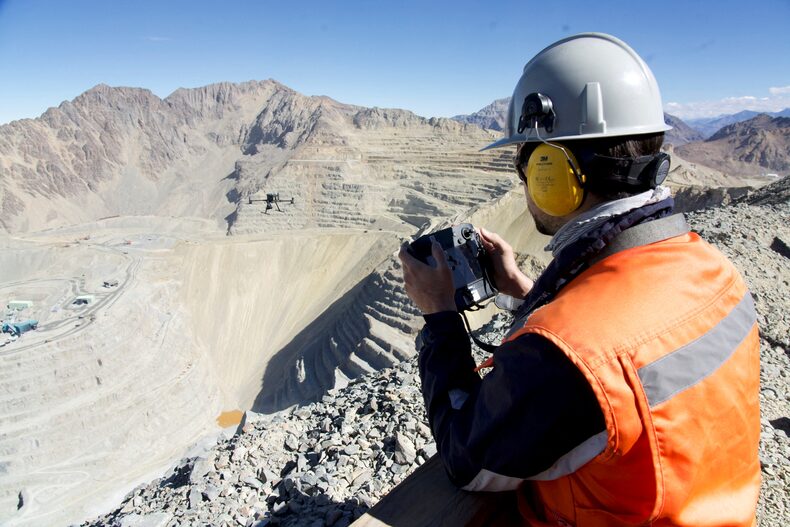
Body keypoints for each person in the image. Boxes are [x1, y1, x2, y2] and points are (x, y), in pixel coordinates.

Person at [398, 33, 760, 526]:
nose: (524, 182)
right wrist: (527, 290)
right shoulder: (716, 273)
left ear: (554, 171)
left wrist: (439, 318)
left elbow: (466, 457)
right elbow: (622, 337)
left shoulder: (566, 356)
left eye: (527, 162)